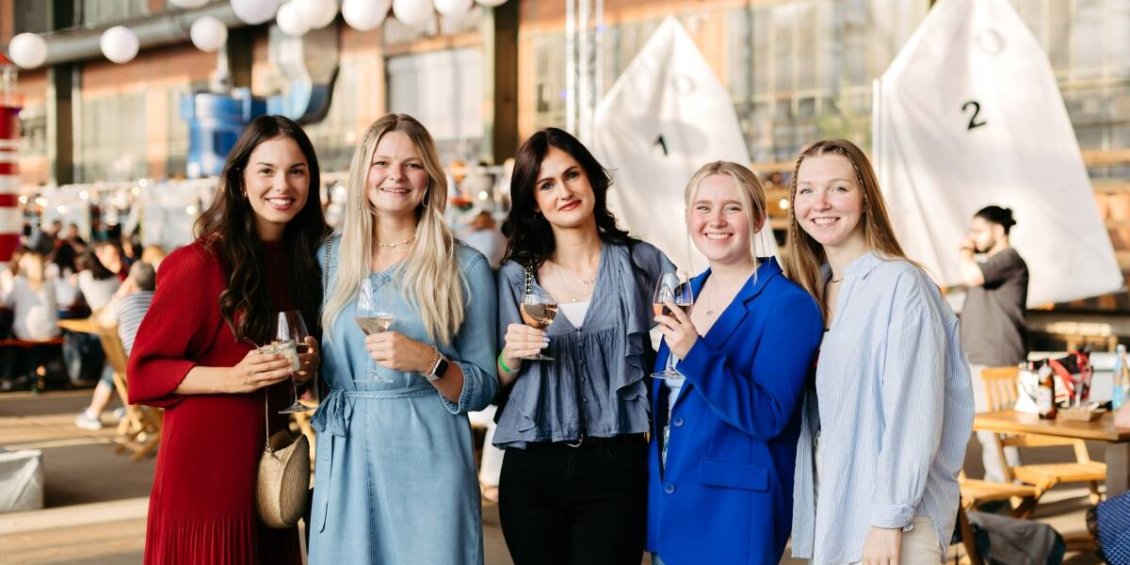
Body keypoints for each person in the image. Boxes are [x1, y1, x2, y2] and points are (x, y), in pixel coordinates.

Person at [127, 115, 326, 564]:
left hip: (272, 470)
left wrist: (305, 368)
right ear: (240, 181)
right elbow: (144, 373)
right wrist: (233, 378)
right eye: (266, 170)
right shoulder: (198, 263)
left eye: (296, 171)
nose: (283, 184)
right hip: (206, 471)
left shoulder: (302, 264)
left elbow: (286, 374)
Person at [308, 113, 498, 565]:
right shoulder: (328, 259)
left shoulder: (464, 266)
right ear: (363, 173)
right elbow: (318, 369)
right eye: (382, 163)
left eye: (412, 165)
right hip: (346, 452)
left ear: (429, 177)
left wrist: (429, 361)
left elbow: (484, 388)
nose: (396, 175)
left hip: (427, 453)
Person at [785, 139, 974, 565]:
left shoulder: (901, 285)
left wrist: (888, 519)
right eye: (807, 190)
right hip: (837, 511)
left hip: (894, 523)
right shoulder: (813, 291)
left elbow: (915, 413)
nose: (820, 203)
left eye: (838, 188)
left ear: (865, 197)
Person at [494, 127, 673, 565]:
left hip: (618, 467)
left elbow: (683, 351)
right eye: (546, 185)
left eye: (572, 174)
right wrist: (509, 356)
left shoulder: (643, 264)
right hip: (532, 469)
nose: (564, 192)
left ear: (591, 178)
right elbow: (491, 383)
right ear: (533, 202)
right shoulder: (516, 278)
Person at [646, 162, 823, 565]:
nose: (716, 221)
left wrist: (695, 352)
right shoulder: (685, 293)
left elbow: (768, 416)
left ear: (758, 219)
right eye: (703, 208)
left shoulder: (788, 304)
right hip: (673, 506)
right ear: (689, 217)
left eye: (733, 207)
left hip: (734, 514)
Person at [959, 205, 1029, 483]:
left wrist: (964, 251)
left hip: (996, 359)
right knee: (987, 430)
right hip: (978, 357)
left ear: (998, 230)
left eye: (978, 230)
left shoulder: (1008, 259)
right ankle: (1001, 486)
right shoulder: (992, 264)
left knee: (998, 430)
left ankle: (1006, 488)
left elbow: (972, 275)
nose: (972, 236)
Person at [75, 261, 158, 431]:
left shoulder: (125, 302)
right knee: (118, 365)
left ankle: (93, 413)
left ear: (132, 280)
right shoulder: (161, 300)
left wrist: (120, 294)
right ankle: (134, 409)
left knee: (114, 367)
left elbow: (102, 321)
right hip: (160, 362)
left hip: (135, 366)